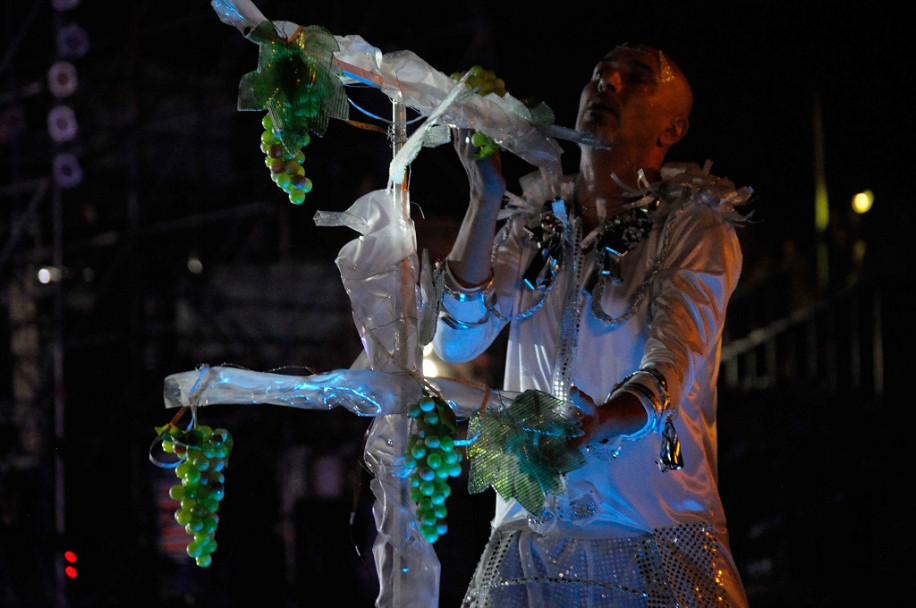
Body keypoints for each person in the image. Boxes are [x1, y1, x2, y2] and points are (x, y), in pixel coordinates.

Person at [432, 43, 752, 607]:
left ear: (673, 128)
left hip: (652, 539)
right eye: (599, 75)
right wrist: (484, 198)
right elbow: (456, 339)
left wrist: (607, 418)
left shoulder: (695, 226)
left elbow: (675, 361)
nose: (607, 85)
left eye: (636, 79)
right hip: (529, 546)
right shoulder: (531, 226)